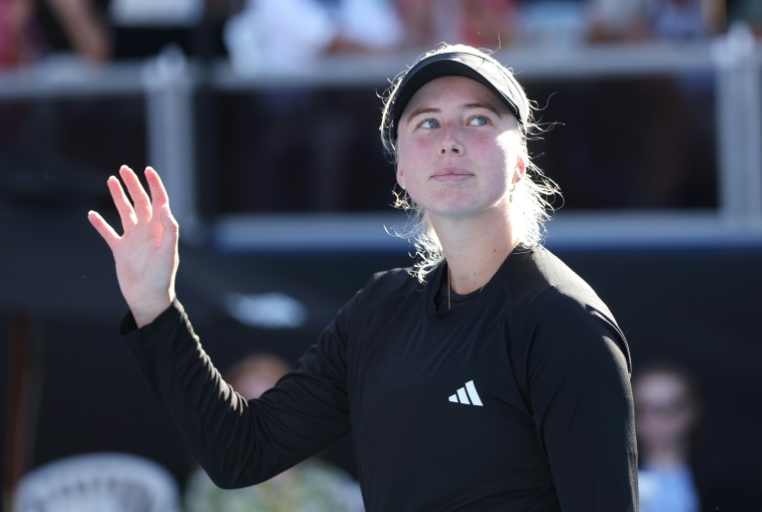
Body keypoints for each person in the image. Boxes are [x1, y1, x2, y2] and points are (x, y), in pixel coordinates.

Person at [87, 43, 638, 510]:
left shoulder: (564, 322)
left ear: (519, 159)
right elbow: (240, 453)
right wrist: (154, 306)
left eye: (478, 119)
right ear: (401, 168)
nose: (450, 138)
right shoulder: (379, 310)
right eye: (427, 122)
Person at [183, 353, 364, 511]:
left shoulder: (327, 481)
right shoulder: (209, 484)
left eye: (268, 406)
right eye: (245, 403)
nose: (257, 418)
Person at [633, 361, 702, 512]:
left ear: (691, 412)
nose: (659, 419)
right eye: (645, 408)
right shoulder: (612, 482)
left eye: (672, 407)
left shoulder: (726, 485)